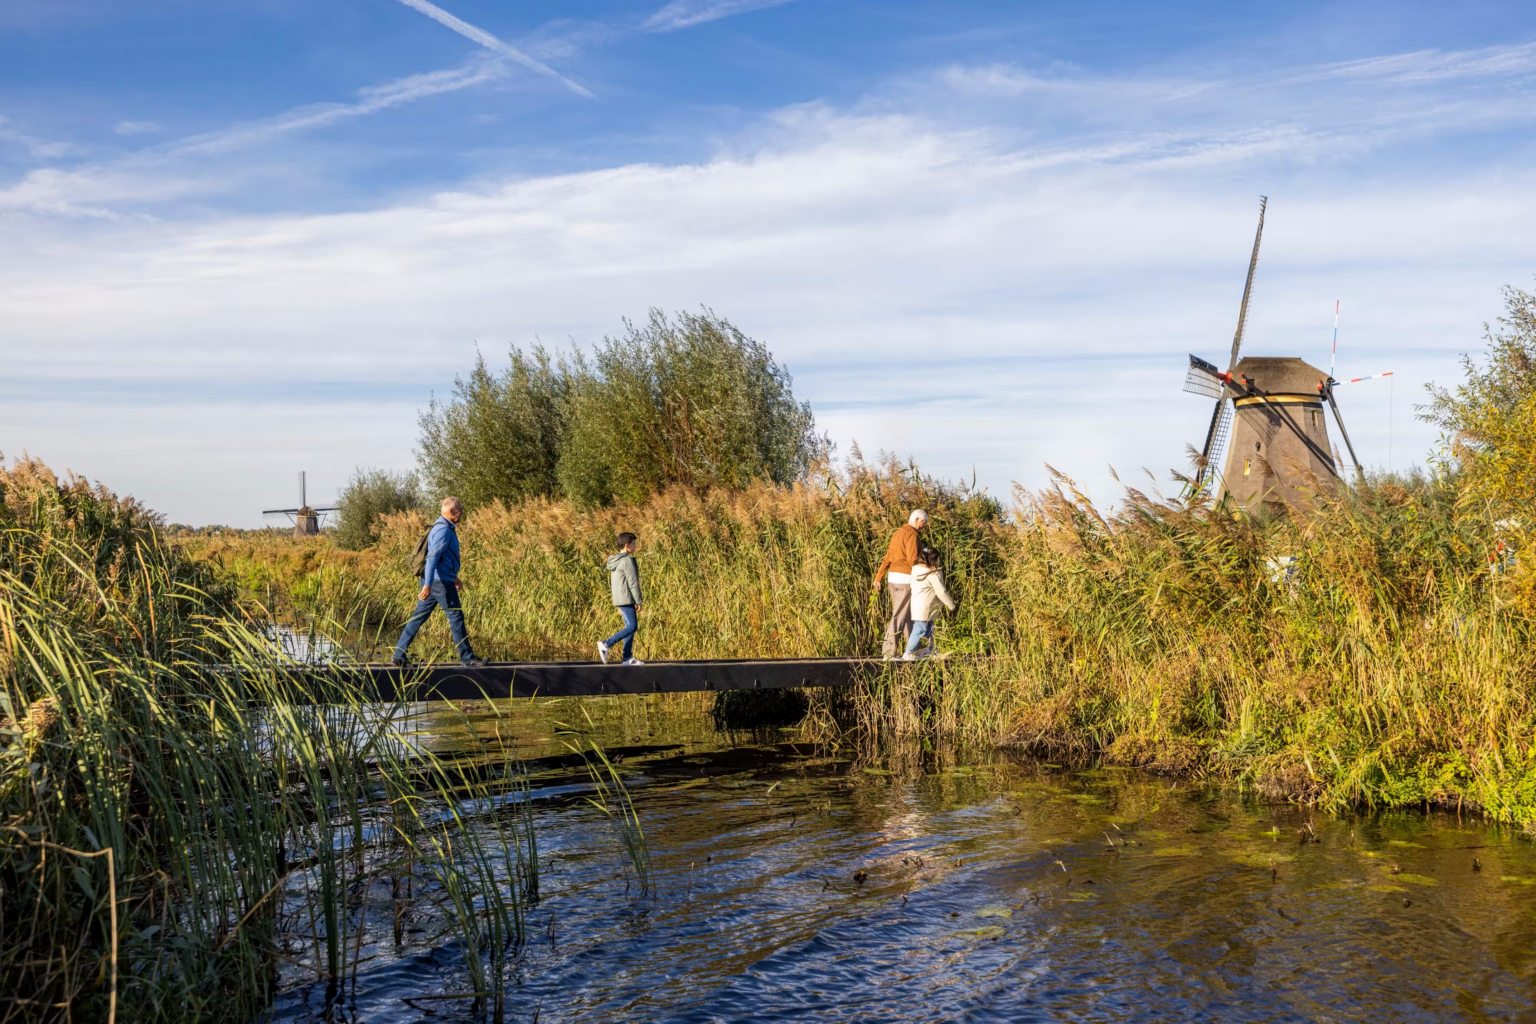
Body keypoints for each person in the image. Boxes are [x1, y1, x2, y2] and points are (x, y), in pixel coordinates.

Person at [391, 497, 485, 667]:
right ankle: (467, 659)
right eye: (460, 511)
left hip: (437, 580)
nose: (462, 513)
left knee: (418, 617)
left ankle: (398, 655)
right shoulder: (443, 530)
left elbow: (443, 558)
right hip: (439, 583)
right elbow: (432, 558)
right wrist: (428, 585)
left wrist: (454, 577)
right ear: (452, 512)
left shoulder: (441, 527)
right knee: (456, 617)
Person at [872, 509, 927, 659]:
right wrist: (926, 567)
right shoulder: (912, 534)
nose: (924, 526)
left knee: (908, 615)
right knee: (900, 615)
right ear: (917, 519)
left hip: (893, 579)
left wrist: (878, 577)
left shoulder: (897, 533)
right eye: (924, 522)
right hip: (905, 579)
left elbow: (888, 557)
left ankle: (913, 650)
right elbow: (912, 559)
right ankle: (889, 652)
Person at [598, 532, 645, 666]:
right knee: (632, 626)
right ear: (626, 545)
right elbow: (633, 583)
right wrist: (638, 601)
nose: (635, 546)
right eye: (633, 544)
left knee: (629, 627)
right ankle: (606, 644)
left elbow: (617, 583)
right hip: (627, 598)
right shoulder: (626, 561)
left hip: (621, 598)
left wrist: (619, 604)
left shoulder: (615, 561)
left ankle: (627, 658)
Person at [904, 546, 956, 660]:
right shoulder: (932, 574)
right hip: (927, 606)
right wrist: (951, 605)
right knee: (920, 628)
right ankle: (908, 652)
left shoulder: (916, 570)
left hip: (918, 604)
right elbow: (941, 591)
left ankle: (930, 650)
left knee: (930, 628)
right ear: (933, 560)